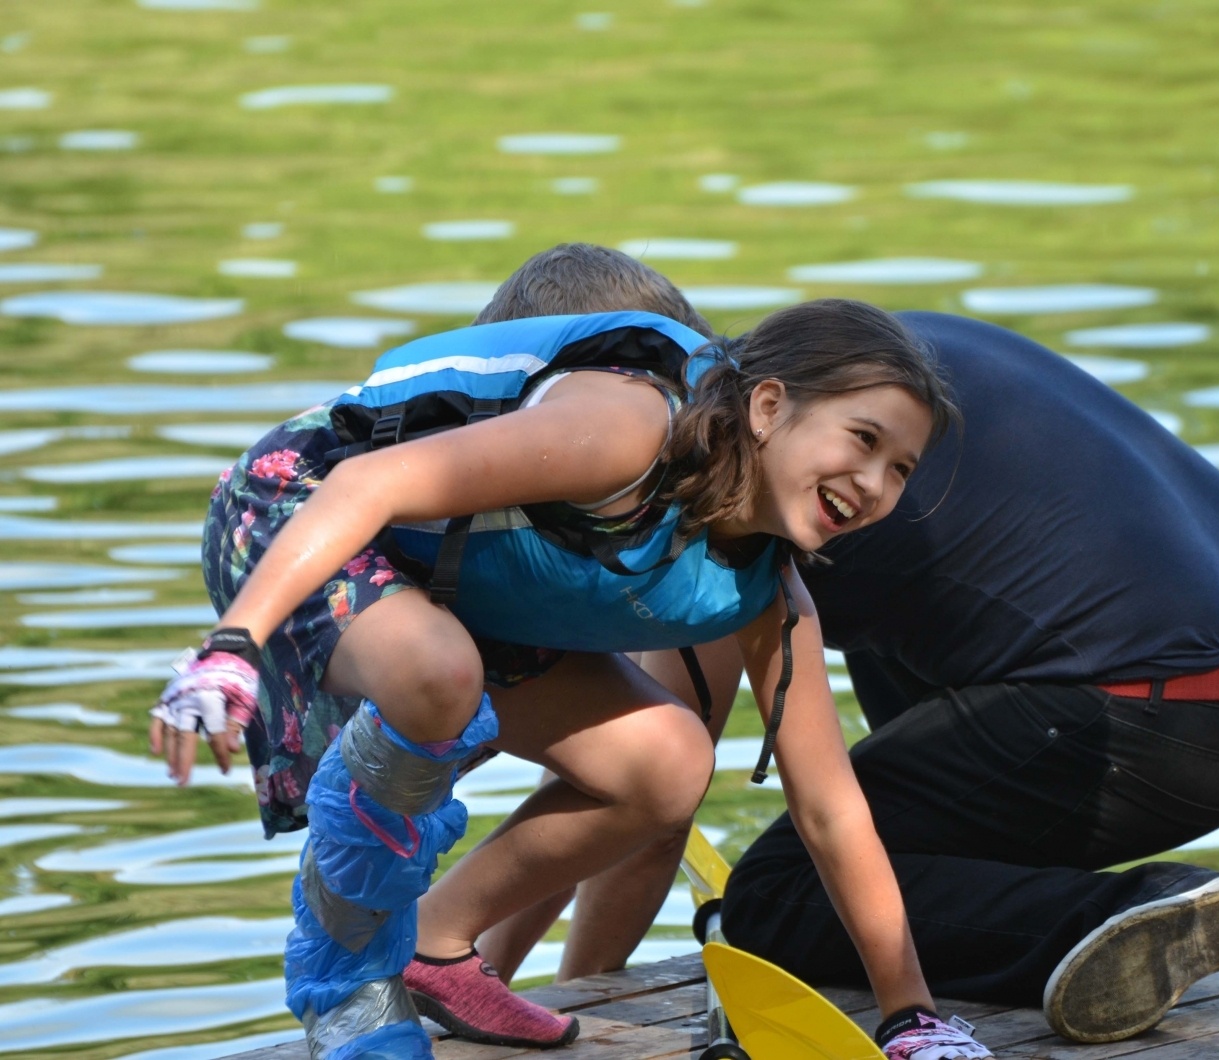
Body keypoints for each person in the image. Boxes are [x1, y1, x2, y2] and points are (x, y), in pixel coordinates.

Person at [150, 244, 993, 1060]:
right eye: (864, 439)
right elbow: (369, 486)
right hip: (299, 510)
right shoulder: (628, 427)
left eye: (902, 469)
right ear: (768, 408)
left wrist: (910, 1020)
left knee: (669, 764)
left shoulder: (766, 588)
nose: (877, 482)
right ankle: (348, 977)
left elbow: (831, 810)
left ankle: (435, 944)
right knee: (441, 673)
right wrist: (231, 646)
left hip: (456, 589)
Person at [472, 310, 1219, 1044]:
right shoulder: (873, 380)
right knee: (857, 795)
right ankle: (1068, 915)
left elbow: (650, 813)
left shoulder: (759, 499)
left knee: (778, 897)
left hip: (1146, 714)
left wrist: (563, 997)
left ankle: (1111, 914)